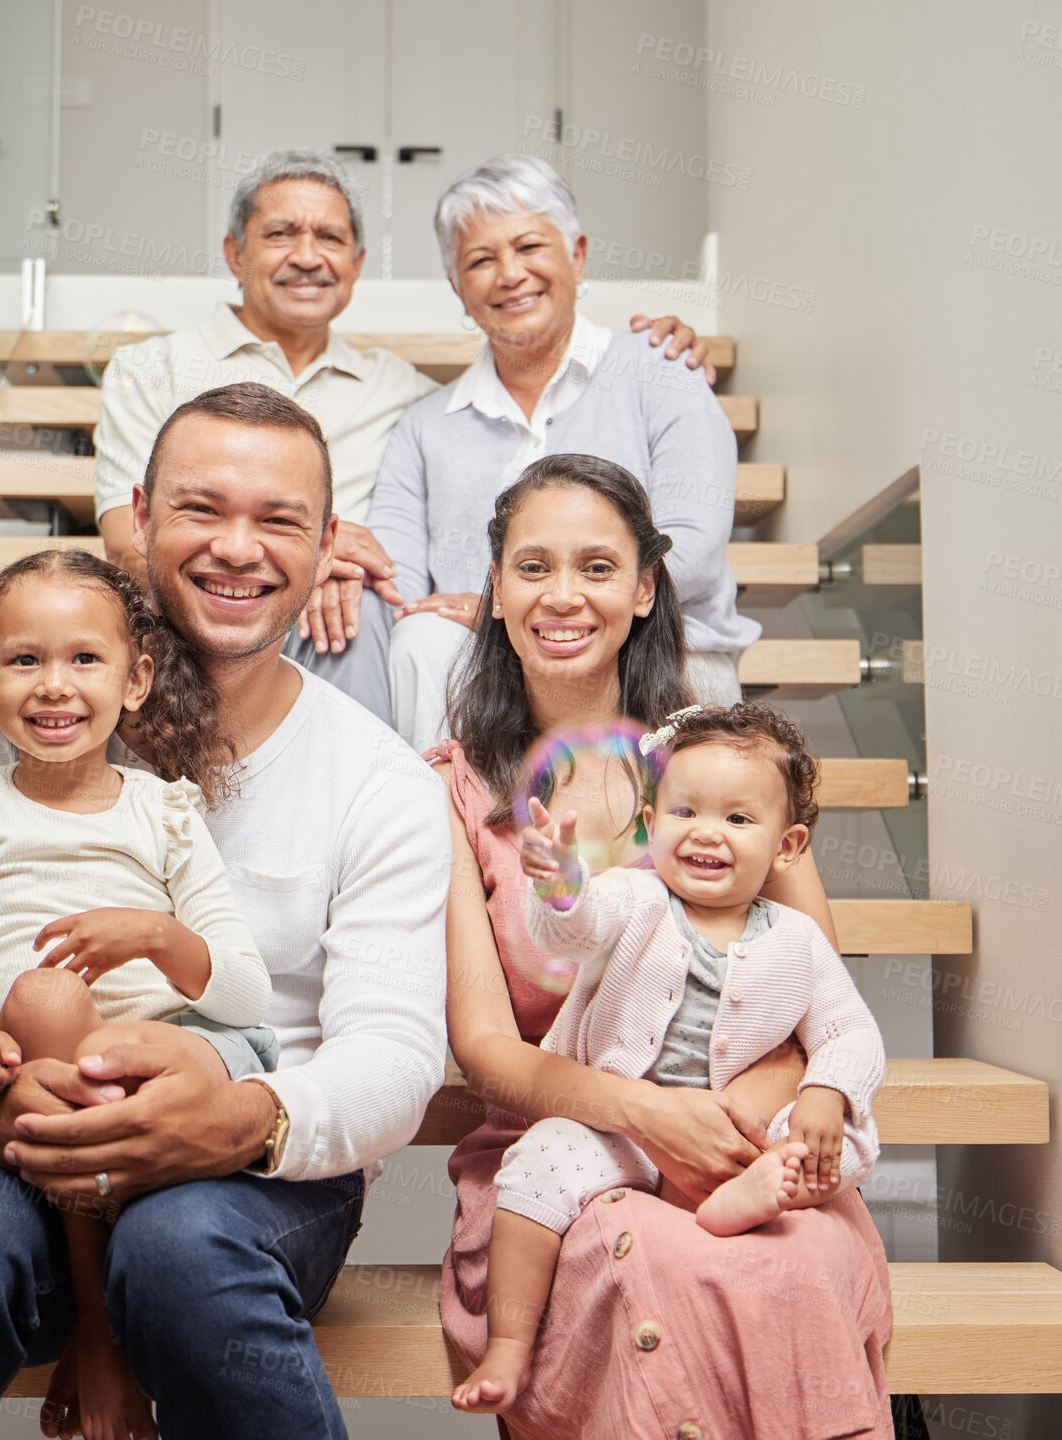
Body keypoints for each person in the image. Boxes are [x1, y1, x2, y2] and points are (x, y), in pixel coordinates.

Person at [0, 383, 451, 1440]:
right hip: (18, 1136)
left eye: (278, 519)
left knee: (181, 1248)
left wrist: (246, 1121)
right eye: (201, 509)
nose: (236, 548)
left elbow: (391, 1054)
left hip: (255, 1172)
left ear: (327, 543)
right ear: (140, 518)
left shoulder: (376, 781)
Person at [431, 454, 894, 1440]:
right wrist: (649, 1117)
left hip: (747, 1132)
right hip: (561, 1147)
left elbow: (808, 981)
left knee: (790, 1257)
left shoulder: (721, 769)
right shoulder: (450, 791)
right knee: (665, 1267)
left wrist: (729, 1121)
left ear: (644, 588)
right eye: (532, 567)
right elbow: (483, 1051)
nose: (563, 596)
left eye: (597, 567)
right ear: (496, 592)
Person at [92, 149, 713, 720]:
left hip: (339, 624)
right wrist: (315, 560)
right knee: (373, 615)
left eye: (330, 238)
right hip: (209, 609)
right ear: (234, 254)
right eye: (281, 234)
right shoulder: (155, 370)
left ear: (357, 264)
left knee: (355, 613)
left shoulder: (401, 390)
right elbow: (130, 541)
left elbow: (390, 566)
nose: (308, 256)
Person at [0, 549, 277, 1439]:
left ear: (136, 680)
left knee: (57, 1008)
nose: (54, 686)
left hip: (174, 1054)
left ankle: (93, 1327)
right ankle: (101, 1329)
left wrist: (153, 933)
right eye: (25, 661)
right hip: (39, 1064)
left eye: (85, 659)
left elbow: (247, 993)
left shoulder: (166, 812)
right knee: (39, 1003)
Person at [454, 702, 885, 1416]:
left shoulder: (800, 943)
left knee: (821, 1155)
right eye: (685, 812)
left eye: (739, 820)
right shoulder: (636, 899)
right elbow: (576, 929)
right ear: (652, 827)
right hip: (620, 1128)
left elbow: (850, 1032)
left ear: (787, 845)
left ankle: (741, 1201)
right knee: (539, 1162)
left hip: (739, 1136)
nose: (707, 833)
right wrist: (562, 885)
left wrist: (825, 1093)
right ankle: (509, 1343)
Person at [369, 154, 761, 750]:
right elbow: (396, 584)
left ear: (576, 256)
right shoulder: (424, 427)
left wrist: (542, 607)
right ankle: (446, 835)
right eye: (480, 260)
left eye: (529, 247)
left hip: (662, 656)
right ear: (457, 288)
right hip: (494, 673)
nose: (508, 274)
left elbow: (696, 549)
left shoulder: (662, 371)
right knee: (420, 640)